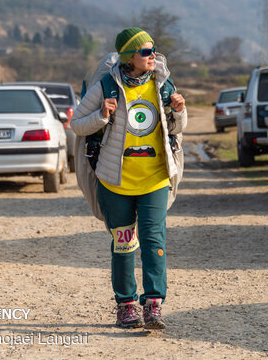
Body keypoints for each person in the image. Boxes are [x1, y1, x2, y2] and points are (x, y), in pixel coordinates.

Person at [71, 28, 187, 329]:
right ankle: (125, 305)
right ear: (129, 57)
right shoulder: (107, 85)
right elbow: (77, 125)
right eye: (146, 51)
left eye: (153, 50)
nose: (153, 56)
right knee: (124, 243)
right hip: (116, 181)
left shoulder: (162, 84)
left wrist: (180, 110)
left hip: (156, 179)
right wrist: (102, 115)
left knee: (153, 240)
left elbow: (175, 129)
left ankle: (153, 304)